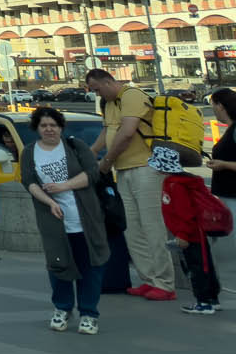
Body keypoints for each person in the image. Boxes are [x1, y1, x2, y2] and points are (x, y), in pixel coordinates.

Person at [85, 68, 176, 301]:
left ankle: (165, 284)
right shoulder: (109, 104)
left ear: (108, 81)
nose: (97, 95)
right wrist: (89, 154)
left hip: (146, 167)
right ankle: (148, 279)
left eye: (97, 89)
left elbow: (126, 133)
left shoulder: (131, 96)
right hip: (124, 170)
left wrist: (106, 161)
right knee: (132, 228)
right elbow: (107, 132)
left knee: (152, 226)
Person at [20, 104, 109, 334]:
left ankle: (89, 313)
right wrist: (49, 201)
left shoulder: (75, 146)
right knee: (58, 265)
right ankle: (62, 308)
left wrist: (64, 186)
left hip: (84, 219)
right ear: (37, 128)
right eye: (44, 125)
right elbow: (28, 181)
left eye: (53, 125)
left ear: (60, 127)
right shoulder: (30, 152)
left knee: (90, 266)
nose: (49, 129)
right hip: (54, 220)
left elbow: (92, 174)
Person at [206, 88, 236, 238]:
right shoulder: (231, 129)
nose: (213, 109)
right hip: (228, 196)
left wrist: (223, 164)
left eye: (213, 105)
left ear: (220, 106)